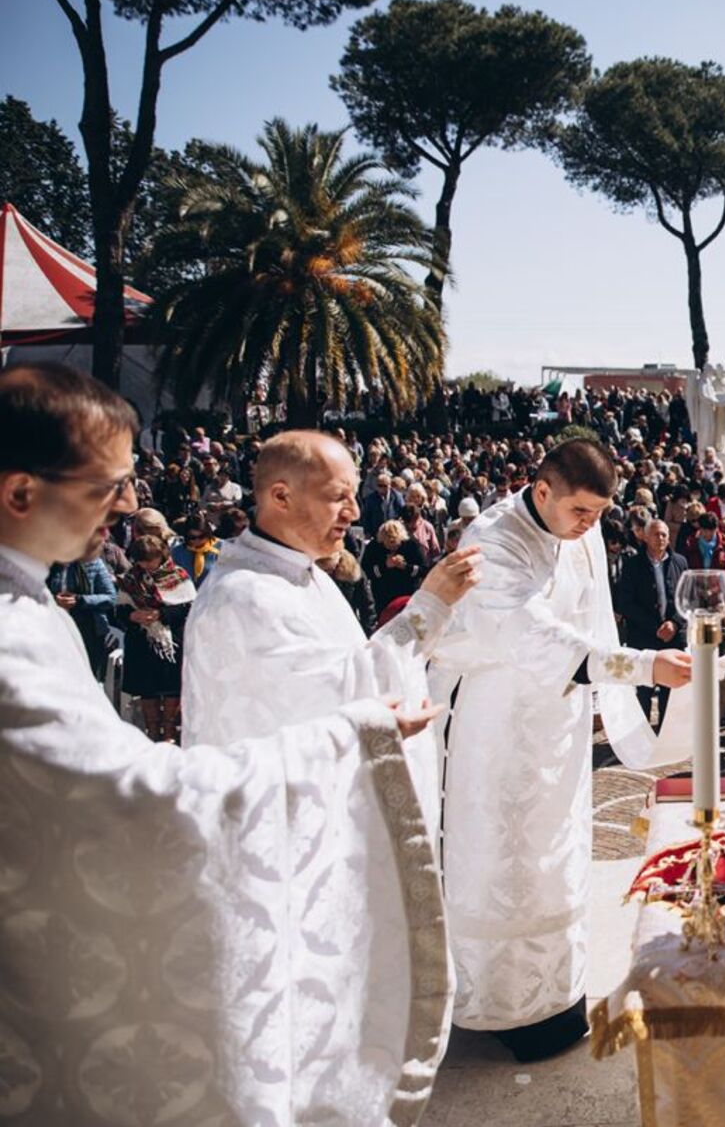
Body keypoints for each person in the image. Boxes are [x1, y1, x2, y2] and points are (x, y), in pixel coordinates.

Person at [0, 364, 452, 1124]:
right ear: (19, 493)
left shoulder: (31, 602)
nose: (130, 506)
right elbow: (132, 795)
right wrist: (356, 731)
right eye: (108, 486)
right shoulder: (15, 632)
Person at [430, 439, 691, 1062]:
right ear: (541, 491)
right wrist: (641, 667)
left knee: (559, 850)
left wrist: (617, 692)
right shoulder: (494, 540)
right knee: (503, 859)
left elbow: (592, 618)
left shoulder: (583, 531)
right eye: (579, 512)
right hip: (495, 724)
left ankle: (558, 995)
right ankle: (500, 1007)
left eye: (599, 514)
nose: (588, 526)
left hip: (560, 718)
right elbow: (531, 633)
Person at [182, 430, 483, 832]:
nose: (355, 513)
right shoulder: (245, 597)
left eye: (355, 496)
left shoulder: (303, 570)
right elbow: (337, 693)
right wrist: (429, 606)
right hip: (277, 837)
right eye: (339, 496)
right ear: (281, 497)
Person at [117, 531, 196, 742]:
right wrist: (133, 615)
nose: (147, 566)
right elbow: (119, 609)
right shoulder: (130, 579)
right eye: (142, 561)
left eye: (151, 560)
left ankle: (169, 730)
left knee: (171, 686)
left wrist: (161, 614)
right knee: (147, 688)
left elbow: (188, 607)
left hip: (171, 641)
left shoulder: (178, 576)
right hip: (141, 640)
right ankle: (152, 730)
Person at [617, 517, 689, 724]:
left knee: (672, 688)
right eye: (656, 534)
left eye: (664, 534)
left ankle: (666, 732)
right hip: (644, 635)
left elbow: (687, 598)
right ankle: (642, 733)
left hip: (673, 636)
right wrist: (655, 627)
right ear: (646, 537)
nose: (661, 538)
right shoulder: (632, 565)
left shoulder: (680, 562)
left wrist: (674, 623)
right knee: (644, 689)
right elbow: (625, 603)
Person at [48, 546, 116, 679]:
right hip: (56, 626)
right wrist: (53, 599)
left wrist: (80, 600)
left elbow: (110, 597)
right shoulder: (49, 565)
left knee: (87, 675)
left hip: (89, 628)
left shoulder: (93, 563)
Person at [364, 517, 428, 611]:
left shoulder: (412, 546)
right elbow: (366, 571)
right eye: (388, 542)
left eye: (394, 542)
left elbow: (424, 570)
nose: (391, 546)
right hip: (383, 597)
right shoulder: (374, 547)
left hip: (407, 595)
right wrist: (385, 566)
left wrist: (405, 567)